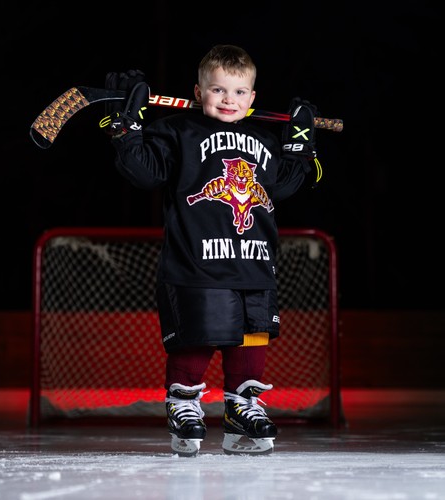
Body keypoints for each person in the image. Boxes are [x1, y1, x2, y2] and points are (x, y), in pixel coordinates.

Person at [103, 44, 321, 456]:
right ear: (198, 91)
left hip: (255, 264)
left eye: (238, 92)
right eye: (218, 89)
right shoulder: (178, 131)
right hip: (196, 264)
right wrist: (126, 126)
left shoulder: (264, 137)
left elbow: (286, 187)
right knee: (198, 338)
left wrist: (300, 144)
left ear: (252, 97)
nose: (228, 100)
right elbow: (144, 173)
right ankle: (184, 406)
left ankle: (242, 409)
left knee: (251, 340)